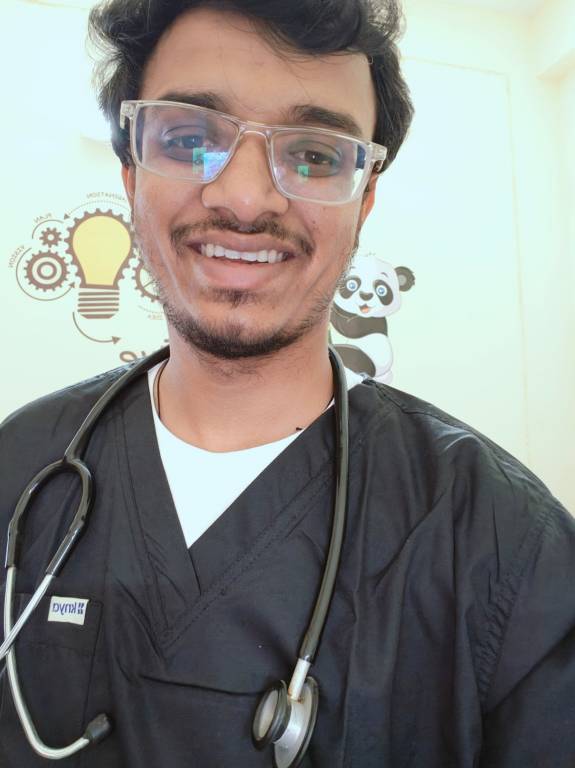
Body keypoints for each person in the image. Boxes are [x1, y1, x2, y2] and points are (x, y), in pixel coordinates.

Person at [0, 0, 574, 765]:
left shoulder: (501, 542)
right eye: (189, 139)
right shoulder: (19, 468)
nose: (244, 198)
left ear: (363, 201)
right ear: (131, 174)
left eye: (312, 155)